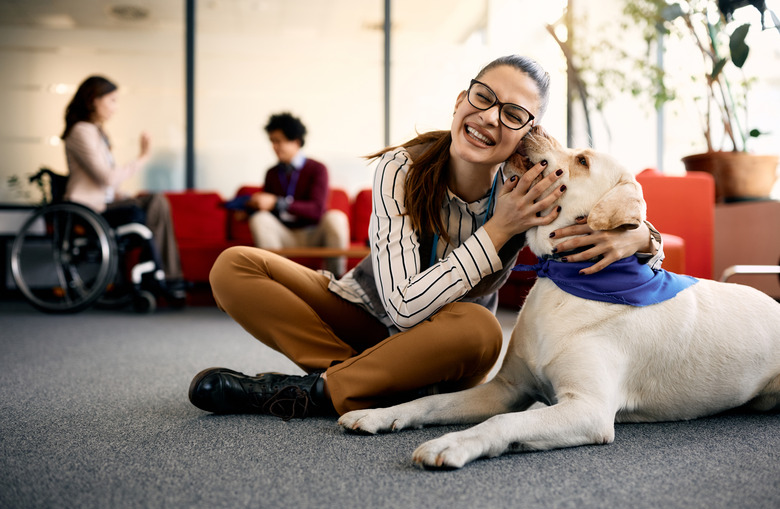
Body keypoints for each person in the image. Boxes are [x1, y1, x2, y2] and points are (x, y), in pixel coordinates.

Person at [188, 55, 663, 420]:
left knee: (480, 330)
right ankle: (361, 382)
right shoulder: (403, 167)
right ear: (460, 102)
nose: (491, 117)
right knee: (234, 266)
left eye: (514, 113)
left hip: (446, 344)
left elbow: (605, 202)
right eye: (483, 98)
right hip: (365, 312)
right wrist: (500, 228)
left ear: (527, 133)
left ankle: (321, 390)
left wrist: (640, 237)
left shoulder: (533, 183)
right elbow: (400, 308)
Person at [61, 75, 186, 300]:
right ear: (93, 100)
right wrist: (143, 157)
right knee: (152, 205)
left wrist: (122, 194)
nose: (115, 108)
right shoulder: (81, 131)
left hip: (104, 203)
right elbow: (106, 177)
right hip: (89, 210)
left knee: (156, 201)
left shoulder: (97, 133)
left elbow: (106, 184)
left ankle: (162, 276)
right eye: (112, 101)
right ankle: (162, 277)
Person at [245, 112, 349, 276]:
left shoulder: (317, 169)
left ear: (296, 141)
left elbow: (316, 211)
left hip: (313, 233)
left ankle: (337, 281)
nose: (274, 147)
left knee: (336, 218)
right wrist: (250, 209)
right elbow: (269, 212)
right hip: (284, 234)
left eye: (278, 141)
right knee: (259, 219)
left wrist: (278, 202)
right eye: (272, 141)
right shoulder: (272, 173)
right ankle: (276, 280)